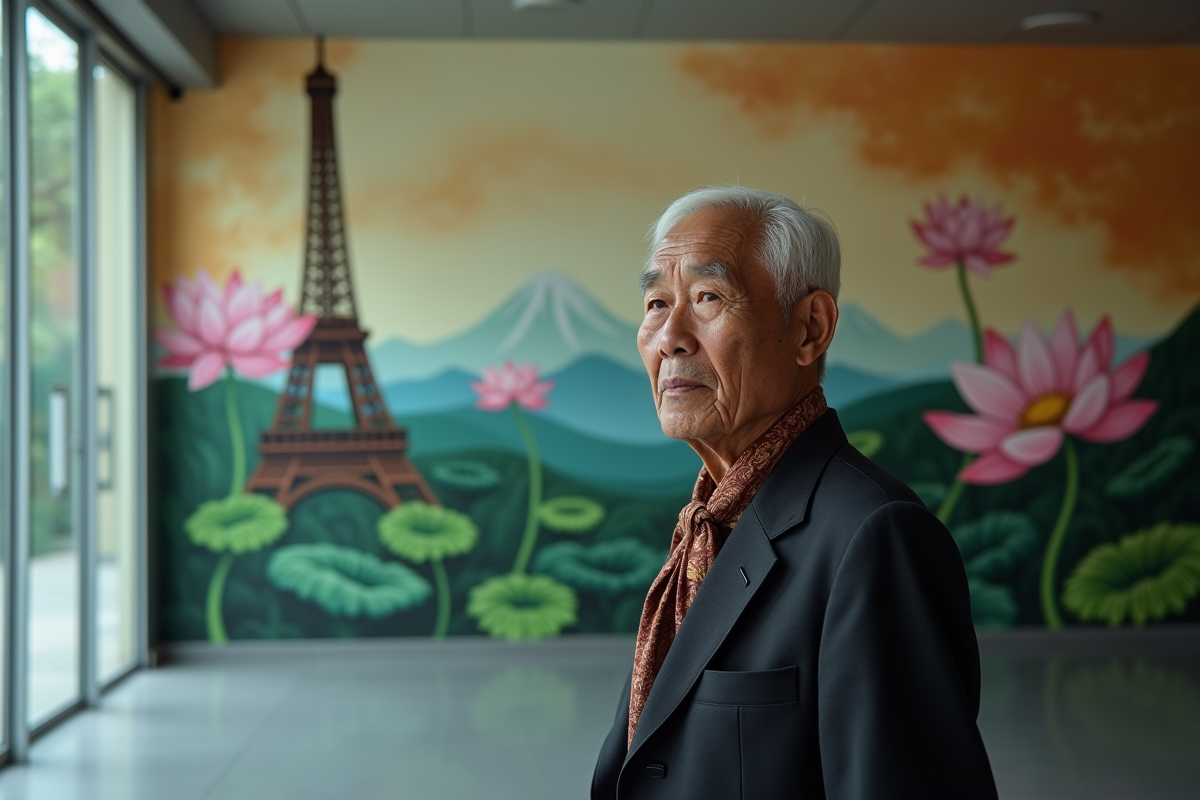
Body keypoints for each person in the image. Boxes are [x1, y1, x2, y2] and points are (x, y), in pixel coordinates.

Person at [591, 187, 998, 800]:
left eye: (707, 298)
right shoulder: (708, 525)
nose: (670, 336)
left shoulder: (876, 536)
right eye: (655, 303)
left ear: (811, 328)